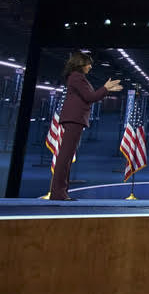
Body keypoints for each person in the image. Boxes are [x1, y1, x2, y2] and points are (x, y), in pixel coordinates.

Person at [50, 52, 122, 200]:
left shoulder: (76, 77)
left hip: (74, 119)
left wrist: (106, 89)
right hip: (74, 119)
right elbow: (90, 97)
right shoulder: (77, 77)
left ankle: (61, 192)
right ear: (80, 64)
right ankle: (58, 192)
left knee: (67, 156)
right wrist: (106, 88)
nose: (90, 66)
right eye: (88, 63)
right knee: (65, 157)